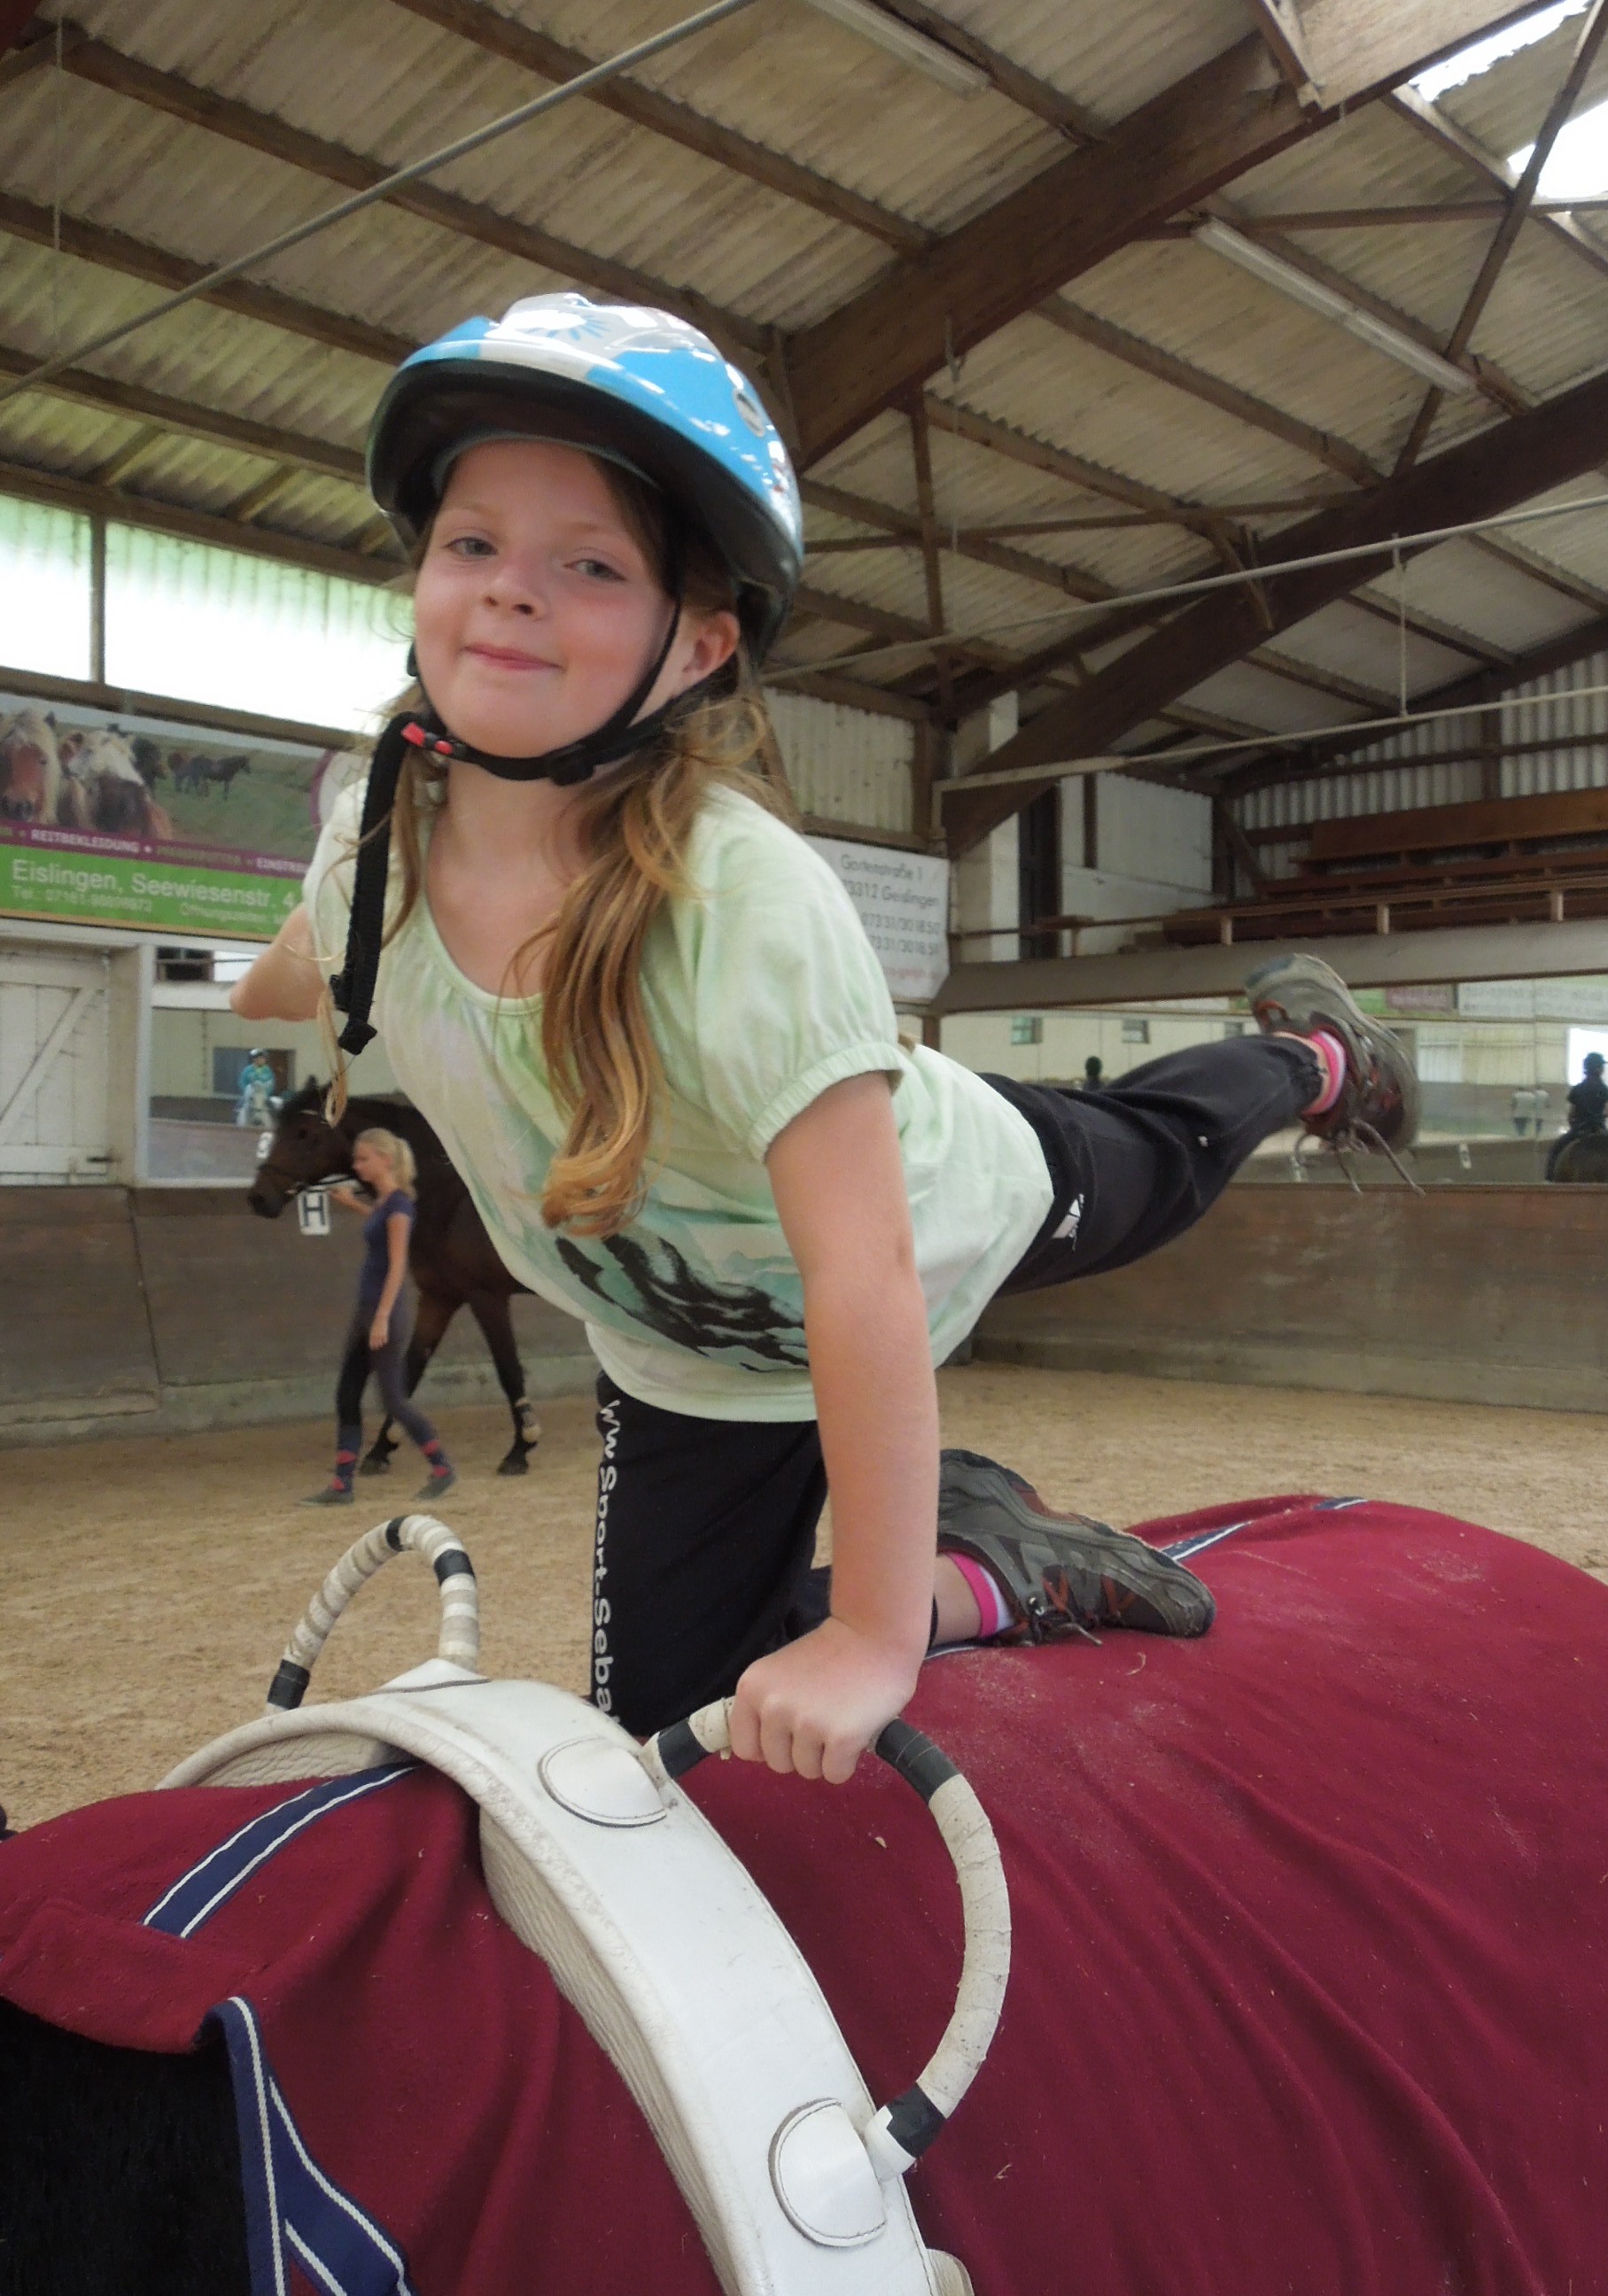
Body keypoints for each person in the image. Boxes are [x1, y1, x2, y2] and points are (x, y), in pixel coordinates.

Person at [233, 292, 1418, 1781]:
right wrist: (263, 987)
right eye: (473, 543)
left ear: (694, 645)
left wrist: (871, 1631)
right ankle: (992, 1559)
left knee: (1160, 1153)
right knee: (669, 1732)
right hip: (692, 1361)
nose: (511, 591)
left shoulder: (743, 903)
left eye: (588, 564)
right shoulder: (373, 845)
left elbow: (863, 1278)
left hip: (940, 1206)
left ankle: (1312, 1061)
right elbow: (311, 956)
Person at [303, 1127, 456, 1509]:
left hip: (381, 1312)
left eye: (363, 1159)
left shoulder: (400, 1204)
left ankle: (441, 1467)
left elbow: (397, 1264)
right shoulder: (388, 1203)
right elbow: (381, 1223)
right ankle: (342, 1484)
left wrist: (383, 1317)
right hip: (367, 1310)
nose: (357, 1166)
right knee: (348, 1394)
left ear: (385, 1160)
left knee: (393, 1400)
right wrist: (354, 1204)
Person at [233, 1048, 276, 1128]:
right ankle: (235, 1122)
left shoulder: (268, 1071)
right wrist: (247, 1091)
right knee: (238, 1106)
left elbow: (271, 1084)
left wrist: (266, 1093)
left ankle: (275, 1124)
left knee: (272, 1107)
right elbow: (242, 1082)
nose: (260, 1060)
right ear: (254, 1060)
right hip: (250, 1094)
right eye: (258, 1058)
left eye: (262, 1058)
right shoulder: (247, 1070)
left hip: (263, 1095)